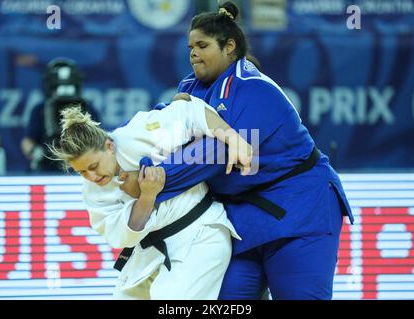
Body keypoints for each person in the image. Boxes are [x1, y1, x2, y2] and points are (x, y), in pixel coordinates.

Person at [121, 1, 354, 300]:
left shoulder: (256, 90)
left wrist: (150, 182)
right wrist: (121, 159)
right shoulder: (190, 88)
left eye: (202, 45)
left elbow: (212, 155)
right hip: (239, 223)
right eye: (190, 46)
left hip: (299, 210)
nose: (193, 53)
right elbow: (158, 129)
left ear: (229, 46)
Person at [48, 95, 252, 300]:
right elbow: (122, 236)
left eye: (93, 166)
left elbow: (191, 113)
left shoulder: (137, 134)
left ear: (109, 146)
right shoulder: (92, 190)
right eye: (82, 172)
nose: (92, 177)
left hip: (199, 234)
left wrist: (233, 138)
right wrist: (147, 196)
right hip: (148, 251)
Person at [21, 58, 99, 172]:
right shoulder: (40, 109)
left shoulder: (87, 107)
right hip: (47, 167)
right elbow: (27, 141)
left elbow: (99, 138)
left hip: (82, 169)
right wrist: (35, 152)